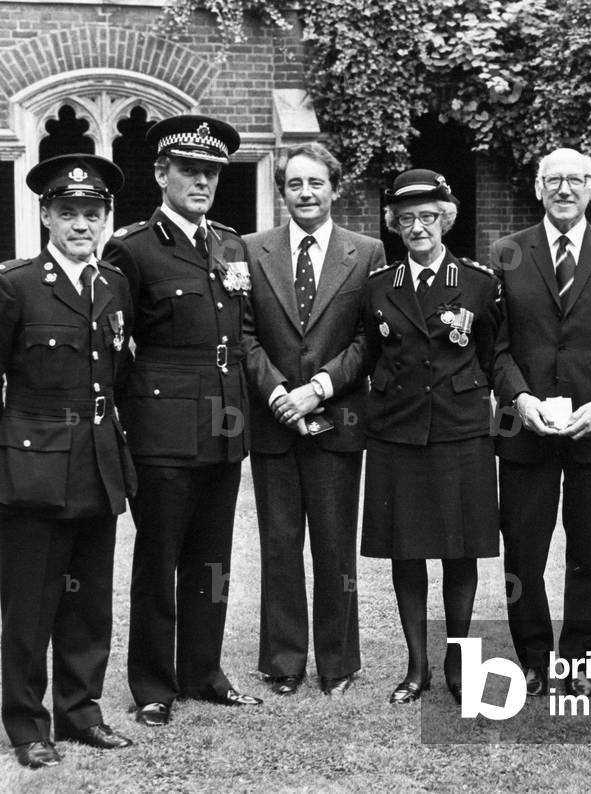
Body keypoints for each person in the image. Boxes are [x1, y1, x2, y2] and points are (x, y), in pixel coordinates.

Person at [0, 154, 135, 767]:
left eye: (92, 213)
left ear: (106, 219)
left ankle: (81, 713)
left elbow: (117, 370)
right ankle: (29, 726)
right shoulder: (15, 283)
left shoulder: (112, 283)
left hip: (97, 463)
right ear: (47, 217)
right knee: (31, 604)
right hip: (34, 467)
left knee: (89, 601)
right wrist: (6, 447)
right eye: (68, 213)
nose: (81, 224)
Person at [102, 114, 260, 726]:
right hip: (163, 428)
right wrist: (131, 414)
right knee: (160, 555)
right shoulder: (133, 246)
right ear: (162, 173)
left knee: (213, 558)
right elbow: (114, 343)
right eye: (190, 170)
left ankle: (204, 671)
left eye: (211, 172)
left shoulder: (228, 242)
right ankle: (151, 685)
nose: (202, 181)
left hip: (224, 424)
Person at [491, 147, 591, 697]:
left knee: (586, 554)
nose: (564, 189)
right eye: (553, 180)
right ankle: (534, 657)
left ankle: (576, 659)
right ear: (538, 188)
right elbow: (498, 347)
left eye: (576, 180)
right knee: (524, 554)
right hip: (525, 434)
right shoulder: (507, 253)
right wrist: (521, 400)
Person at [241, 142, 386, 697]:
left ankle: (337, 662)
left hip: (338, 419)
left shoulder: (367, 252)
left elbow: (368, 337)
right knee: (279, 544)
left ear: (335, 187)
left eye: (316, 183)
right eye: (295, 184)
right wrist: (281, 393)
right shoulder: (251, 250)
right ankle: (283, 661)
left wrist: (319, 388)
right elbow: (245, 334)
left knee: (333, 544)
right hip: (274, 422)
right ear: (283, 191)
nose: (306, 193)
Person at [362, 169, 502, 705]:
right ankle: (416, 667)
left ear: (445, 218)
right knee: (407, 552)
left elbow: (493, 356)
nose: (418, 227)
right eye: (406, 219)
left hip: (460, 431)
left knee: (460, 552)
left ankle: (458, 663)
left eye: (428, 216)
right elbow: (368, 355)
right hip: (398, 432)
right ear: (394, 225)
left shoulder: (480, 283)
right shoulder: (379, 287)